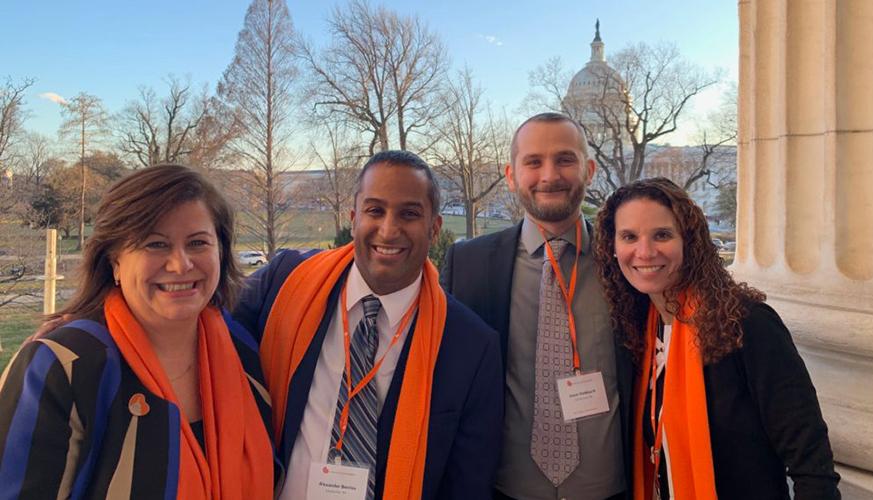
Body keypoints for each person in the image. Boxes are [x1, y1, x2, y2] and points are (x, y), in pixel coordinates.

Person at [232, 150, 503, 500]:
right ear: (354, 217)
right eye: (375, 210)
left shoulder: (471, 347)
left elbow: (467, 486)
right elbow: (203, 329)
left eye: (409, 213)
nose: (389, 230)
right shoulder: (286, 282)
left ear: (435, 228)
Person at [0, 164, 275, 499]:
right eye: (155, 244)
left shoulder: (245, 355)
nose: (180, 264)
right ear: (115, 261)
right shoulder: (62, 367)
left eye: (198, 242)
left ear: (221, 251)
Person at [592, 177, 840, 499]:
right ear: (612, 248)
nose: (645, 251)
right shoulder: (637, 330)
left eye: (662, 235)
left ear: (689, 241)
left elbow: (811, 461)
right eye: (629, 236)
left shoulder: (747, 324)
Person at [440, 112, 631, 499]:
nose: (549, 175)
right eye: (533, 162)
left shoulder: (629, 264)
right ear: (510, 175)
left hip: (610, 489)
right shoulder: (468, 266)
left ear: (589, 170)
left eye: (565, 159)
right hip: (503, 488)